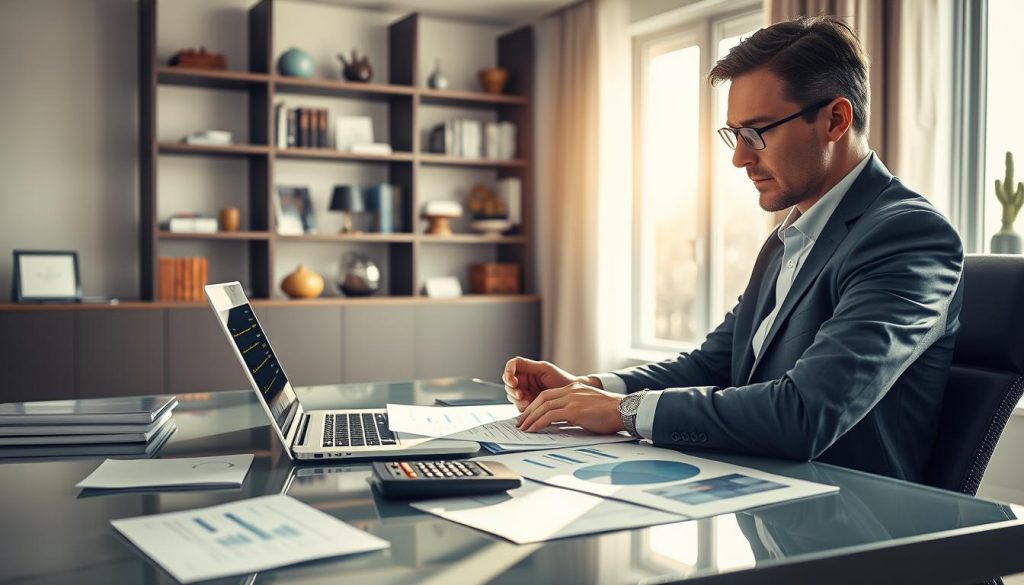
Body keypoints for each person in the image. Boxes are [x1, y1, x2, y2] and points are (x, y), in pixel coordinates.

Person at [504, 15, 964, 482]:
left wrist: (623, 411)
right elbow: (715, 365)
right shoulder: (788, 239)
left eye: (757, 133)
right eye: (735, 134)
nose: (740, 157)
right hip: (761, 495)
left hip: (850, 519)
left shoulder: (909, 236)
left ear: (835, 119)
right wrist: (591, 388)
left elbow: (804, 414)